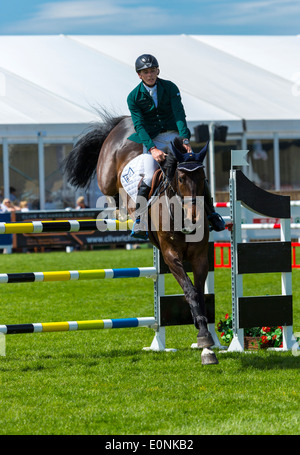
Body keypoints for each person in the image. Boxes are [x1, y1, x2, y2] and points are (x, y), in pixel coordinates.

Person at [127, 54, 225, 238]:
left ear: (158, 71)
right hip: (152, 140)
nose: (150, 75)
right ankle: (140, 220)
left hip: (174, 137)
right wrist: (152, 148)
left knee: (194, 169)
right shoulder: (133, 97)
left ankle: (212, 214)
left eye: (152, 70)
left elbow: (179, 114)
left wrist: (185, 140)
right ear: (139, 75)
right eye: (145, 72)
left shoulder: (170, 87)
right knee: (148, 174)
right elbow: (139, 125)